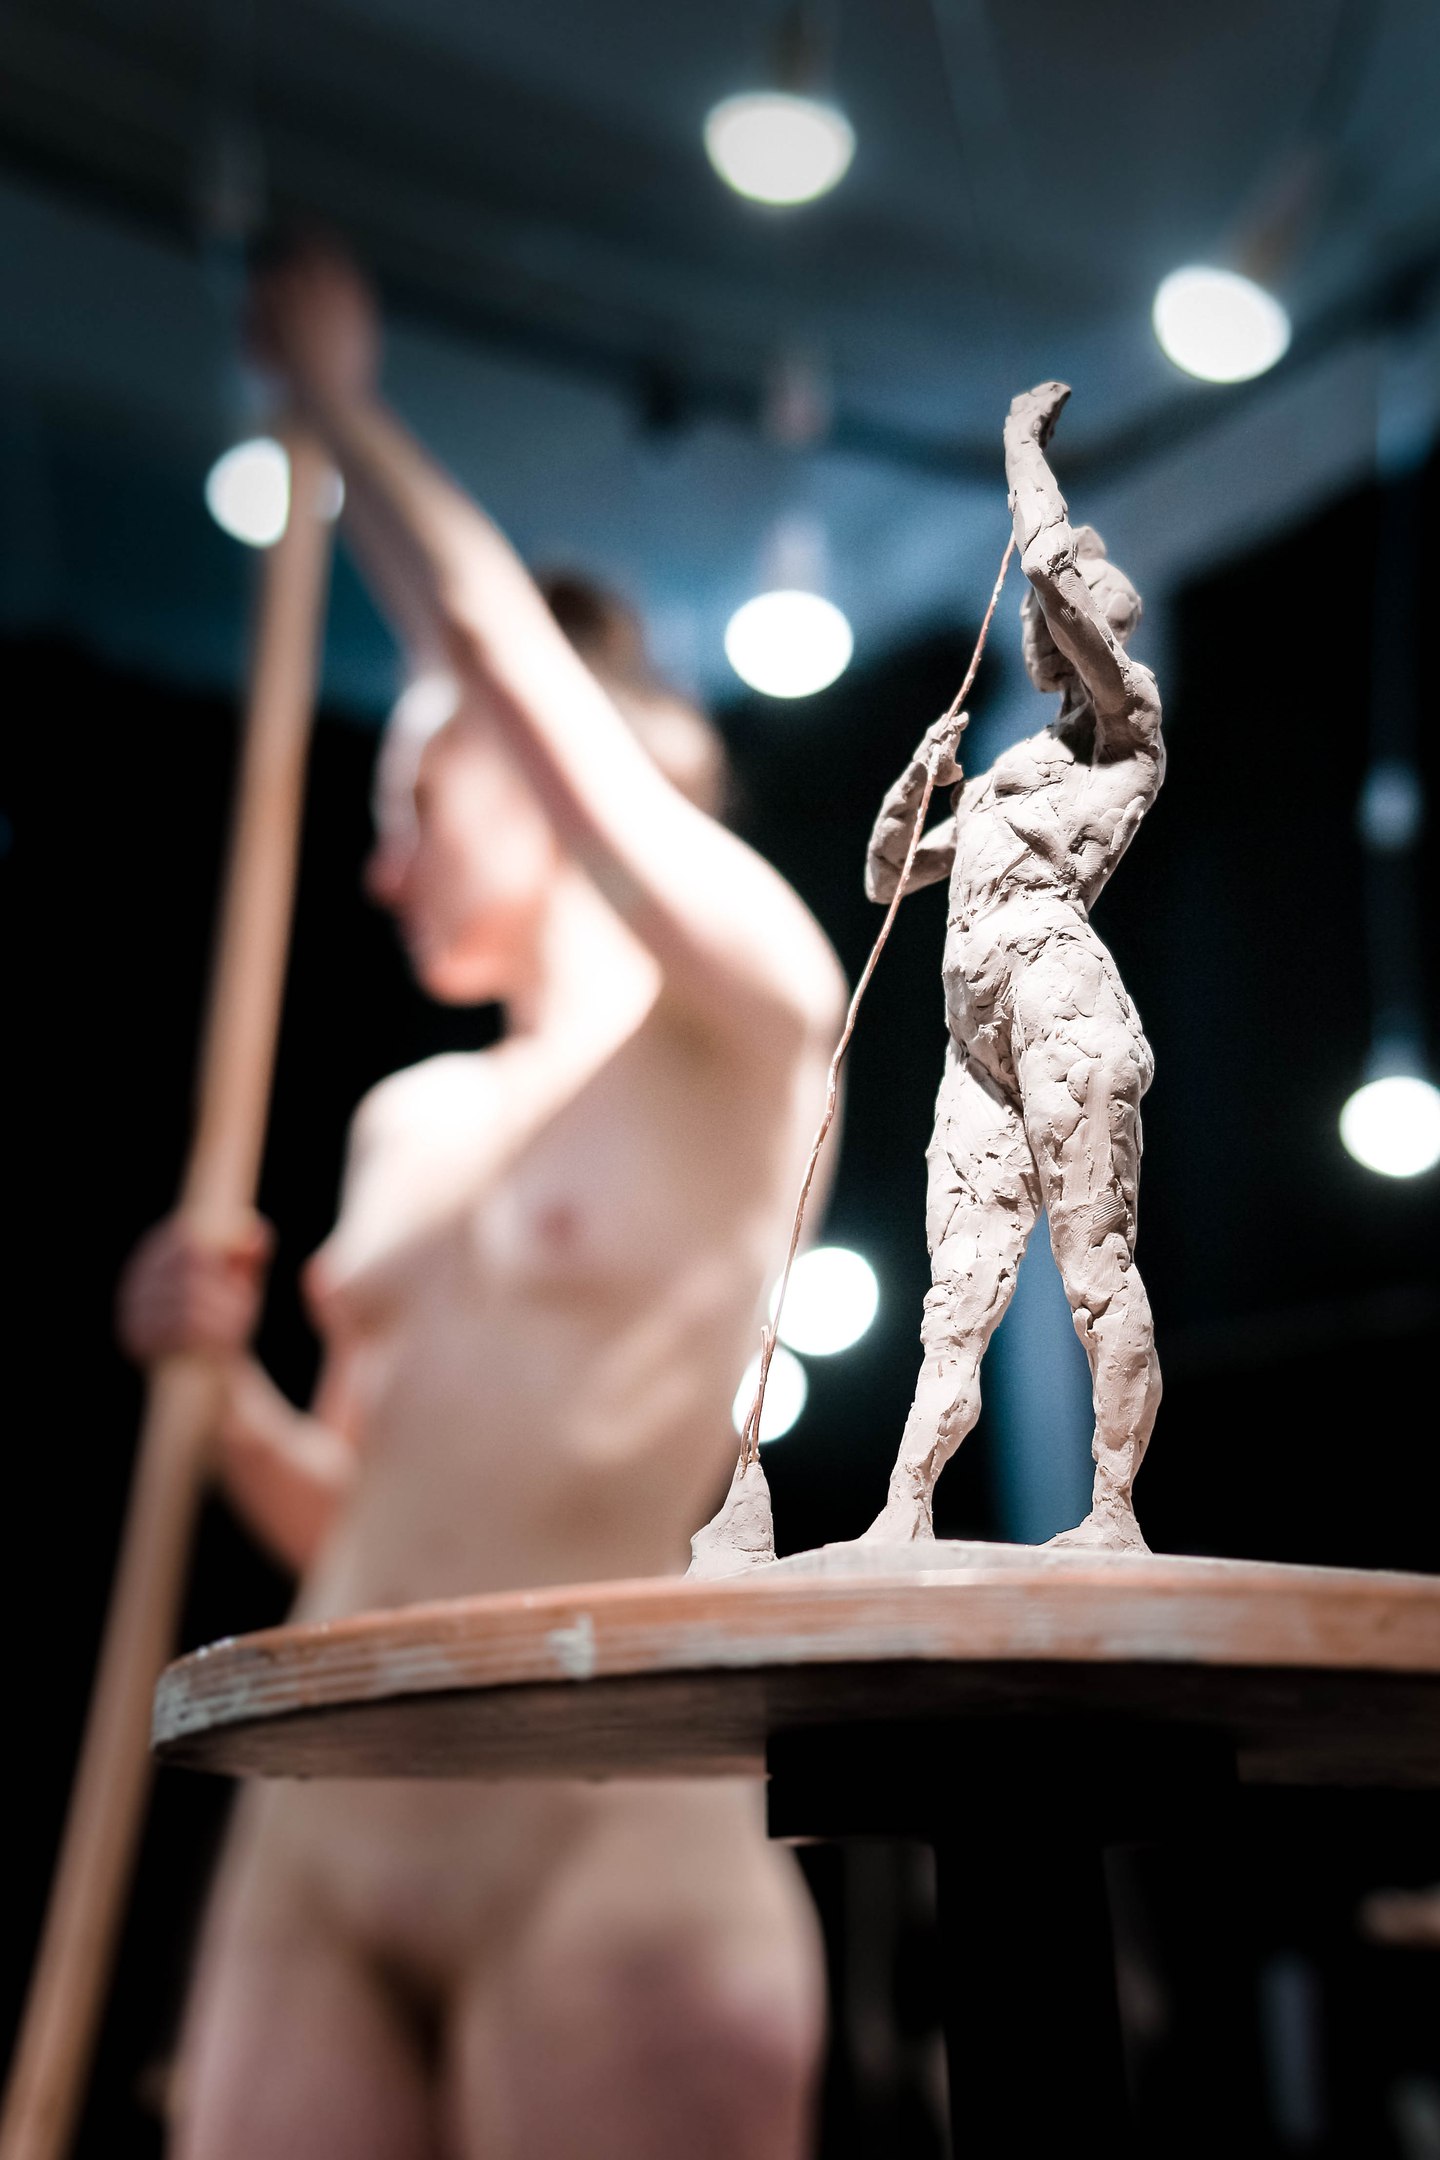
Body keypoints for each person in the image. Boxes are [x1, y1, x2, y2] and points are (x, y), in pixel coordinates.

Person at [118, 246, 845, 2159]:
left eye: (408, 803)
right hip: (329, 1811)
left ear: (525, 762)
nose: (383, 871)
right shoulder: (411, 1123)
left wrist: (338, 408)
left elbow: (505, 659)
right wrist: (217, 1392)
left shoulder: (745, 1017)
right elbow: (356, 1512)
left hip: (603, 1824)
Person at [861, 381, 1163, 1554]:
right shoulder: (1006, 774)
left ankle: (1112, 1513)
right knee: (956, 1293)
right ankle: (902, 1513)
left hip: (1057, 997)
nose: (1044, 625)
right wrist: (915, 781)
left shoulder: (1126, 731)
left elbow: (1042, 561)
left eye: (1064, 610)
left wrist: (1019, 448)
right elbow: (888, 877)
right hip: (976, 1033)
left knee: (1093, 1265)